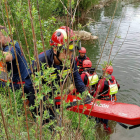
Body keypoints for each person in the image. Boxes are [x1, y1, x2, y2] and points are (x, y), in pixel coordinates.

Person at [31, 26, 92, 123]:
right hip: (39, 98)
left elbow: (76, 78)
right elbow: (30, 86)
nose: (70, 55)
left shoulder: (70, 60)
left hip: (54, 95)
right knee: (47, 124)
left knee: (57, 122)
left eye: (72, 51)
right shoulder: (41, 61)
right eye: (66, 51)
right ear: (55, 49)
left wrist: (84, 93)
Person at [0, 25, 32, 93]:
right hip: (12, 83)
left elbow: (8, 57)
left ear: (6, 35)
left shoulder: (13, 45)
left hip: (22, 84)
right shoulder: (3, 48)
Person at [93, 65, 120, 133]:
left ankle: (102, 124)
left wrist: (92, 99)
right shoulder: (114, 80)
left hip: (104, 102)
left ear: (105, 72)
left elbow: (97, 93)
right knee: (107, 115)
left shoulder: (102, 81)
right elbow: (118, 87)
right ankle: (105, 125)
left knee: (100, 116)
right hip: (112, 101)